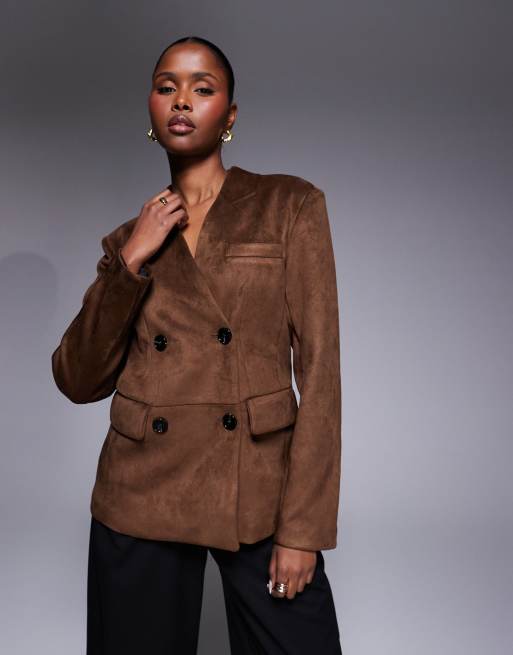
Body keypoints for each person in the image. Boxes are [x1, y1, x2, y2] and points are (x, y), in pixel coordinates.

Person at [51, 35, 343, 654]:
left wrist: (303, 530)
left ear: (229, 115)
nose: (181, 100)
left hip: (257, 489)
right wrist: (131, 260)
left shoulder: (288, 205)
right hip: (141, 494)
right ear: (152, 110)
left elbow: (321, 372)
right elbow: (77, 378)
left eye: (202, 88)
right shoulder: (128, 240)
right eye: (167, 87)